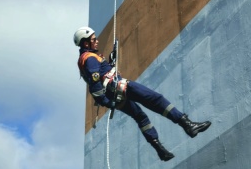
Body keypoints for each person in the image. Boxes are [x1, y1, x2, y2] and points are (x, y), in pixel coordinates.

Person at [74, 27, 211, 161]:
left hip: (114, 94)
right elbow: (95, 82)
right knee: (155, 99)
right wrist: (105, 101)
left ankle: (160, 150)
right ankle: (187, 124)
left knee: (140, 117)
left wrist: (110, 63)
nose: (97, 41)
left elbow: (99, 77)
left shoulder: (86, 58)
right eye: (94, 39)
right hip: (118, 88)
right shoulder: (90, 58)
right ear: (86, 43)